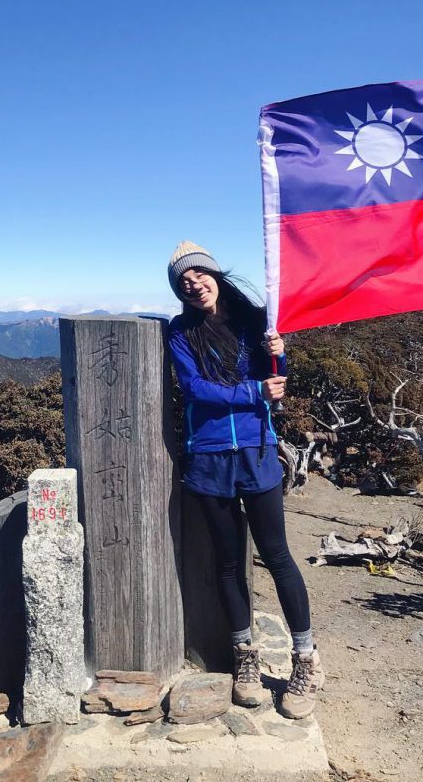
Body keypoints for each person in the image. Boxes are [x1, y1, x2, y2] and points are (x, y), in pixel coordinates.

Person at [166, 240, 324, 718]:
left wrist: (280, 353)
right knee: (229, 563)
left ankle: (304, 658)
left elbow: (276, 380)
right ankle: (245, 659)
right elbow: (193, 387)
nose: (193, 285)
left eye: (198, 275)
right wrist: (253, 389)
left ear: (214, 275)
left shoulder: (255, 320)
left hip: (256, 453)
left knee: (277, 556)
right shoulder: (179, 332)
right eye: (183, 283)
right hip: (209, 457)